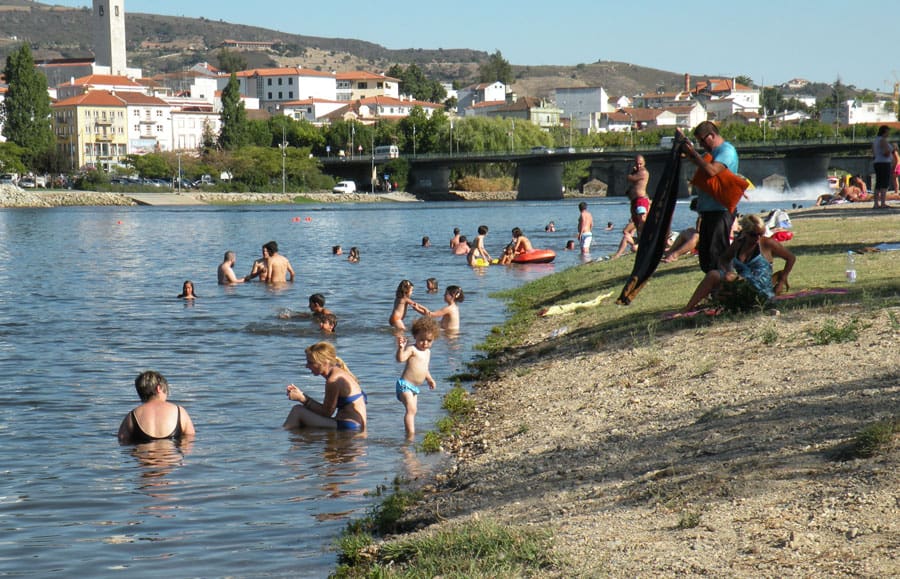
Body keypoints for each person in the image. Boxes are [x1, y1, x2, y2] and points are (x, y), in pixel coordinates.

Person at [684, 214, 796, 312]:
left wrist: (781, 281)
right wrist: (727, 273)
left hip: (761, 290)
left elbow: (791, 258)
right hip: (741, 286)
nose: (757, 238)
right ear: (745, 232)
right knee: (713, 275)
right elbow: (723, 259)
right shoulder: (738, 244)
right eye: (753, 235)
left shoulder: (767, 243)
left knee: (727, 280)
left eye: (760, 234)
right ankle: (688, 308)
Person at [679, 121, 740, 273]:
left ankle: (723, 289)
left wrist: (693, 154)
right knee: (706, 256)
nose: (701, 145)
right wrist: (688, 151)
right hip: (708, 211)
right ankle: (714, 289)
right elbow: (700, 163)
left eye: (702, 140)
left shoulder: (726, 151)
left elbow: (713, 170)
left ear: (711, 136)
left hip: (720, 210)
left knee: (717, 254)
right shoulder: (712, 153)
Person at [284, 342, 367, 431]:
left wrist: (302, 398)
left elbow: (327, 413)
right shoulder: (341, 372)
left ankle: (281, 435)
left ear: (324, 363)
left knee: (297, 411)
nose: (306, 366)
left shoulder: (333, 380)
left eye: (310, 362)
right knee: (303, 429)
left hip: (349, 426)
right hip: (355, 426)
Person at [118, 371, 196, 444]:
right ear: (158, 388)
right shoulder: (179, 412)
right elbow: (189, 441)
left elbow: (123, 441)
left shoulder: (132, 416)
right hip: (170, 457)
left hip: (144, 457)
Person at [395, 316, 438, 438]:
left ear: (434, 339)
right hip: (404, 385)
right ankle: (410, 435)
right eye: (421, 339)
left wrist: (429, 378)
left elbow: (425, 368)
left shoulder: (427, 352)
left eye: (429, 341)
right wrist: (400, 349)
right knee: (411, 409)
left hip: (414, 388)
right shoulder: (412, 349)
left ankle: (409, 432)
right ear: (415, 336)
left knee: (414, 411)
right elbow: (400, 359)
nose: (425, 343)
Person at [611, 155, 650, 259]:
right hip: (635, 201)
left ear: (644, 163)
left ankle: (645, 239)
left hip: (641, 200)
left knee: (642, 219)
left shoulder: (643, 172)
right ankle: (618, 254)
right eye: (637, 163)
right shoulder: (637, 171)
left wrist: (631, 172)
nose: (638, 165)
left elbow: (630, 178)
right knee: (636, 222)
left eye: (640, 163)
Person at [872, 125, 892, 209]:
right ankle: (883, 203)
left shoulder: (875, 141)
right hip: (884, 163)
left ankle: (876, 203)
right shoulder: (883, 140)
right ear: (884, 132)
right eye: (887, 132)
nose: (888, 134)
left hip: (877, 162)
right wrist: (893, 148)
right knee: (884, 183)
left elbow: (873, 153)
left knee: (878, 183)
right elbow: (886, 153)